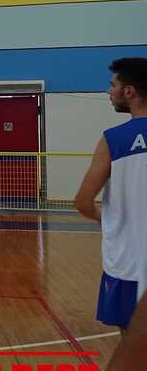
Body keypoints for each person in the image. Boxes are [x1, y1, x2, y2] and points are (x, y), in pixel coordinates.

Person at [74, 57, 147, 334]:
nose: (109, 91)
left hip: (129, 264)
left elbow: (83, 203)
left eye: (112, 85)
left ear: (129, 91)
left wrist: (110, 220)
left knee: (132, 345)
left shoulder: (113, 139)